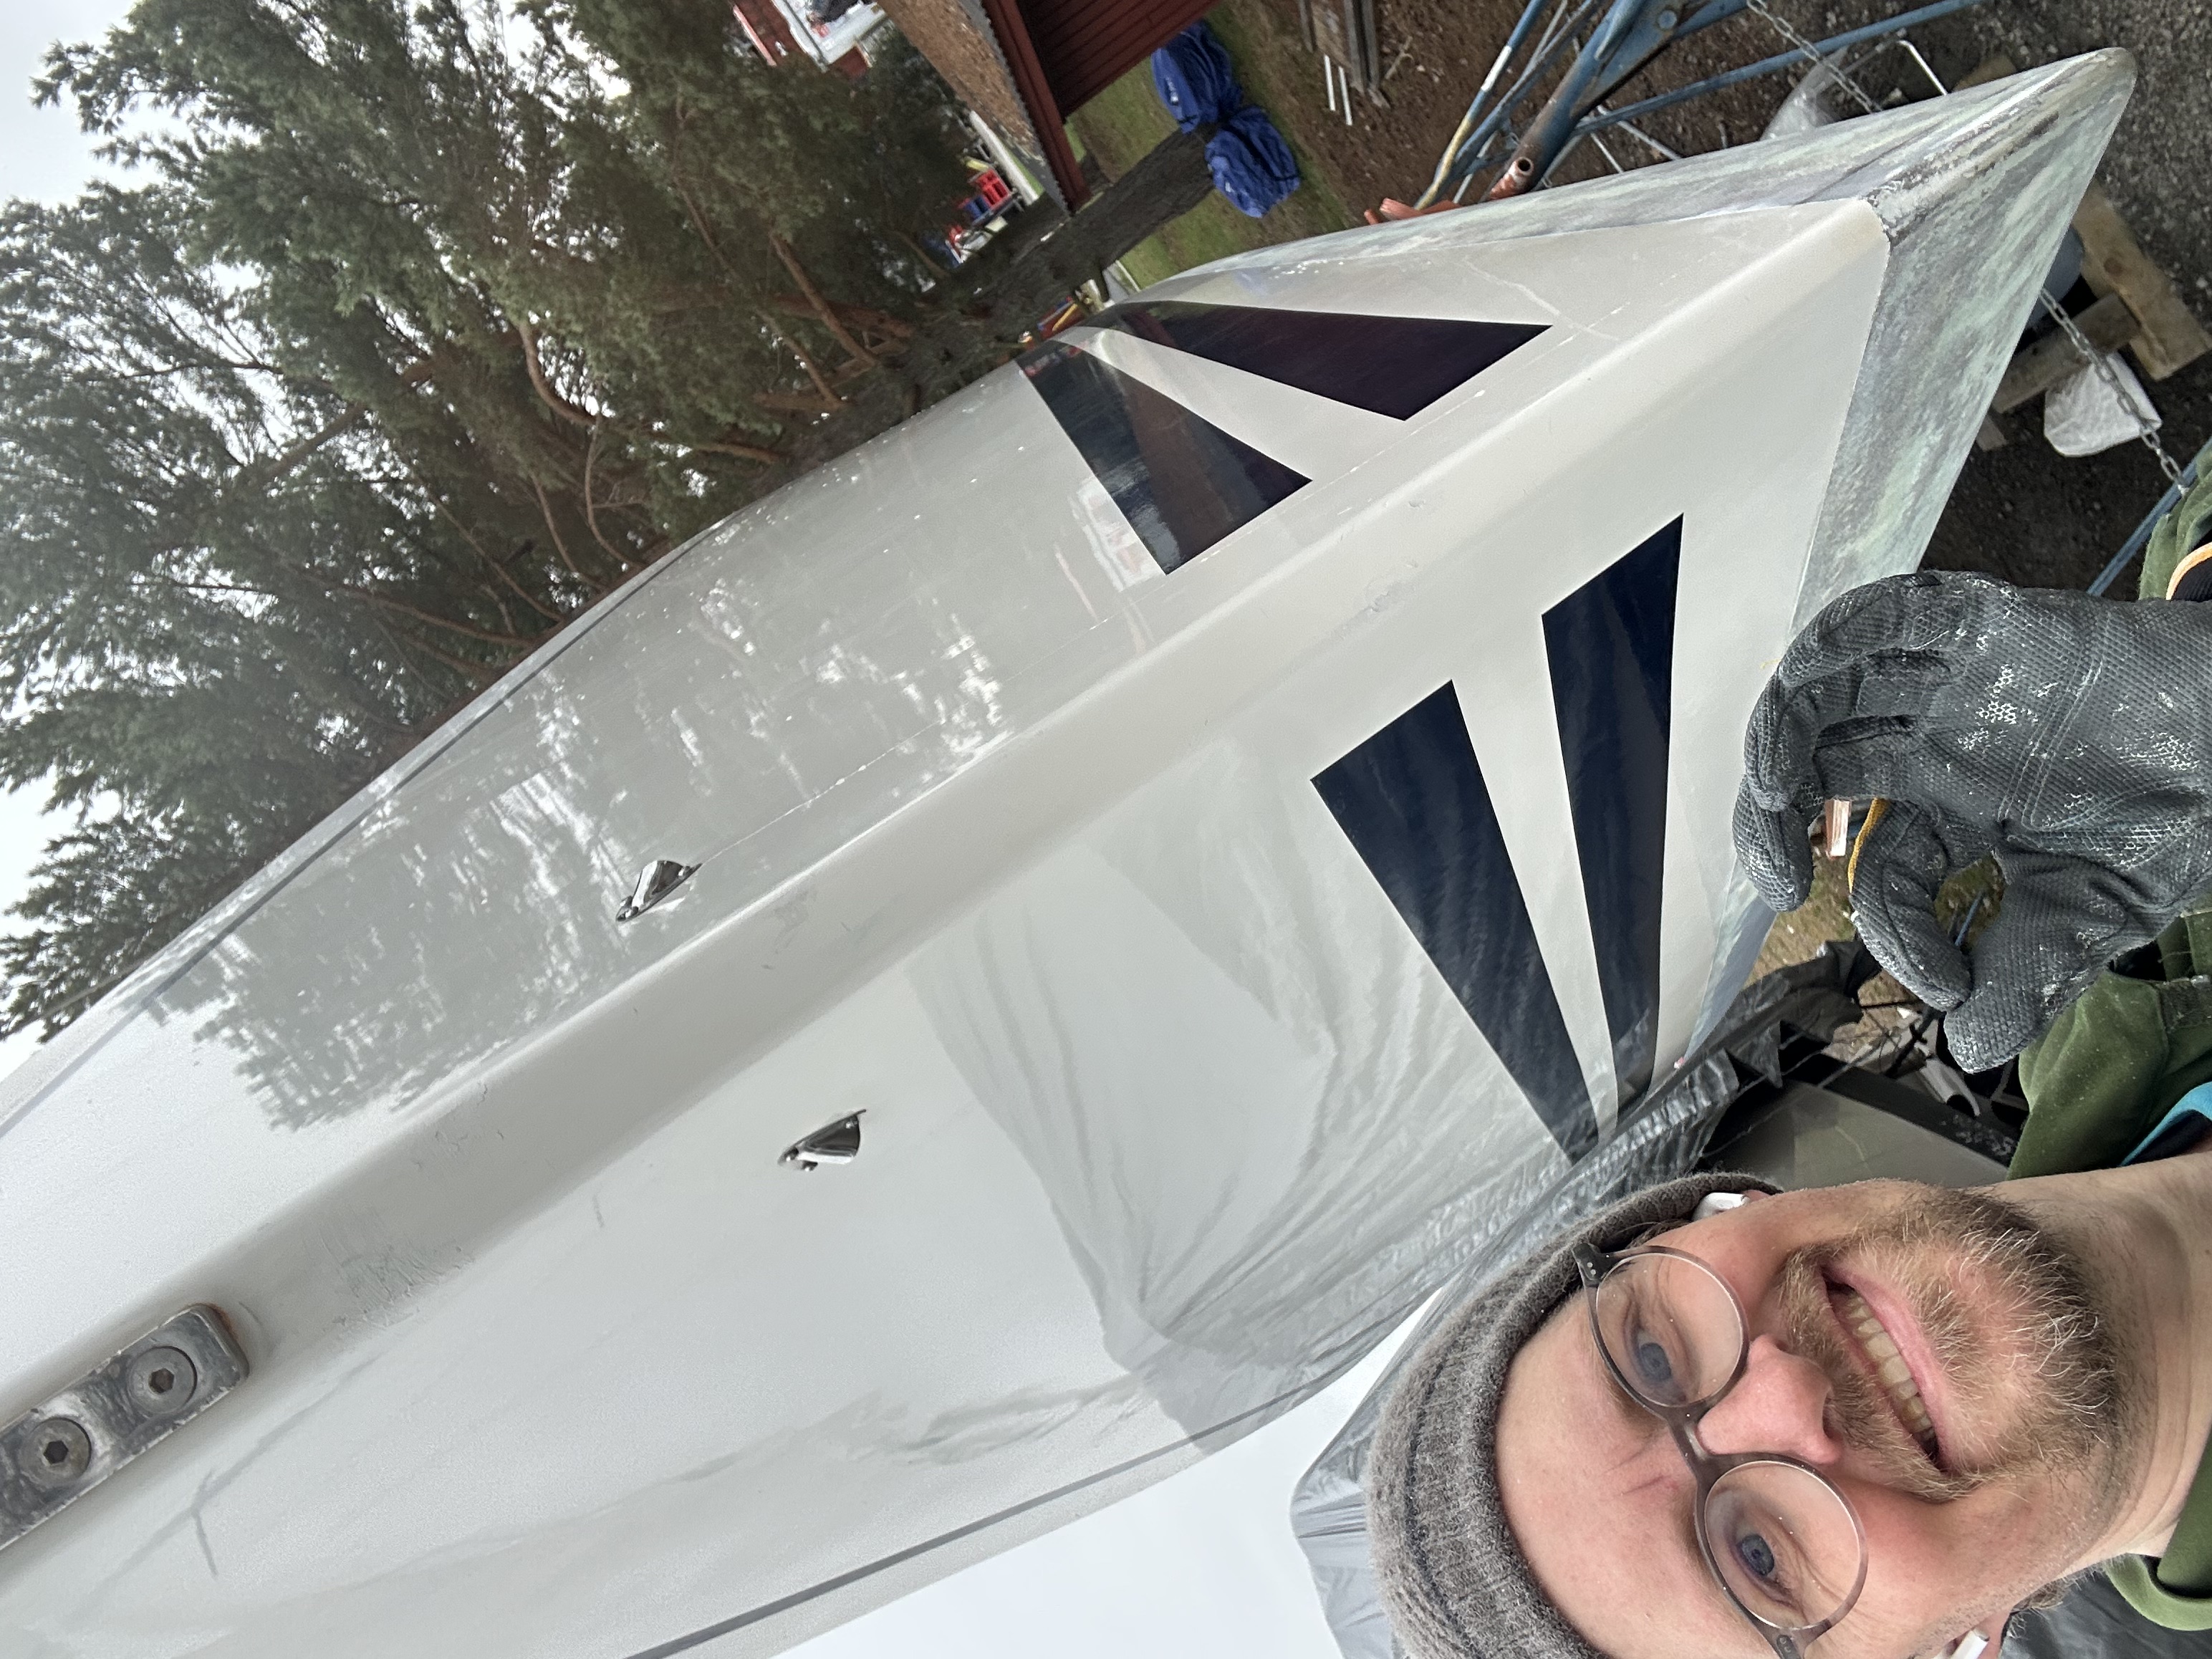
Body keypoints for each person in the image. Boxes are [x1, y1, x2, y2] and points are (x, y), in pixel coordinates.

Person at [1365, 471, 2212, 1659]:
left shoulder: (2132, 974)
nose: (1776, 1397)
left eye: (1653, 1354)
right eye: (1760, 1562)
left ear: (1707, 1216)